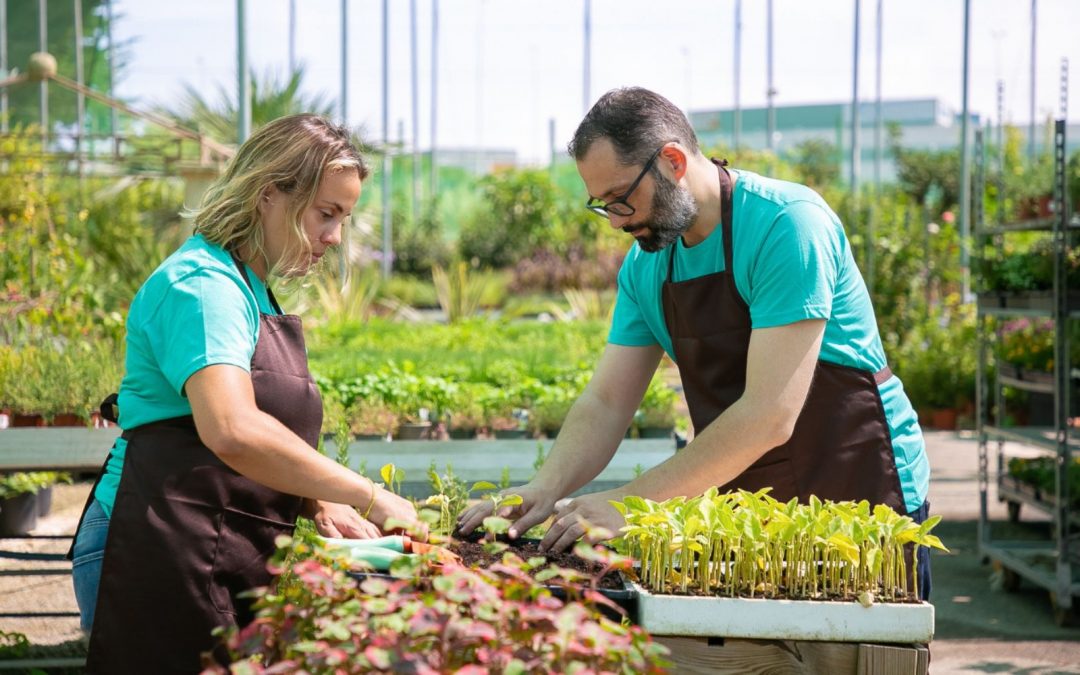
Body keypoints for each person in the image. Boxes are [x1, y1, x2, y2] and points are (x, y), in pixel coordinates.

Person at [458, 87, 931, 599]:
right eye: (603, 206)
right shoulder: (647, 264)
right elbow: (608, 401)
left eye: (621, 199)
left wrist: (630, 502)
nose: (617, 221)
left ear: (673, 161)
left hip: (857, 485)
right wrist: (543, 488)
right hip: (750, 500)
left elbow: (771, 413)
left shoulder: (785, 224)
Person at [69, 113, 423, 673]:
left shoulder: (249, 285)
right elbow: (231, 429)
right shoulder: (203, 287)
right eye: (326, 214)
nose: (334, 237)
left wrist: (317, 499)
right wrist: (368, 494)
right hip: (152, 543)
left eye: (344, 218)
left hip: (206, 538)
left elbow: (252, 428)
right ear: (268, 196)